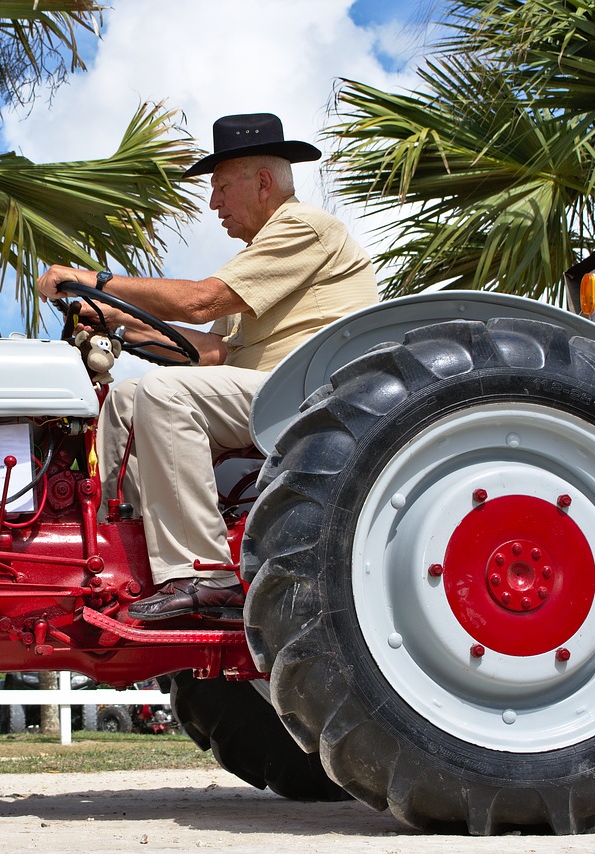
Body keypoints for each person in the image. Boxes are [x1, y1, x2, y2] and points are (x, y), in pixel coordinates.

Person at [36, 113, 379, 621]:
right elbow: (215, 353)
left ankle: (202, 572)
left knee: (164, 393)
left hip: (311, 397)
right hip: (266, 391)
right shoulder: (266, 256)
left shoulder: (304, 228)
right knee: (127, 396)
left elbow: (201, 301)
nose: (214, 202)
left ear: (263, 182)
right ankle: (107, 537)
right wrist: (119, 321)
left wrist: (94, 281)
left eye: (220, 187)